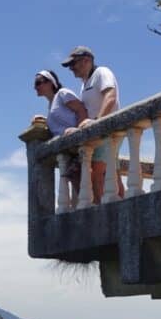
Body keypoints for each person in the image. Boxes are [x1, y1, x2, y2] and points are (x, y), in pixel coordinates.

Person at [61, 46, 124, 203]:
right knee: (112, 172)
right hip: (101, 130)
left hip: (107, 130)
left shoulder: (102, 72)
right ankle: (122, 204)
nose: (71, 68)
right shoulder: (84, 84)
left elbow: (111, 96)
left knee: (95, 171)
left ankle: (100, 209)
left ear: (86, 60)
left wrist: (97, 123)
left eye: (73, 64)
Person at [34, 70, 87, 200]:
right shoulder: (50, 105)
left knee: (82, 183)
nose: (35, 87)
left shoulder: (63, 94)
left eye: (38, 83)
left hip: (77, 144)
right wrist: (45, 120)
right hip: (68, 150)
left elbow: (81, 110)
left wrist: (79, 132)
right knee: (77, 183)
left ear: (50, 83)